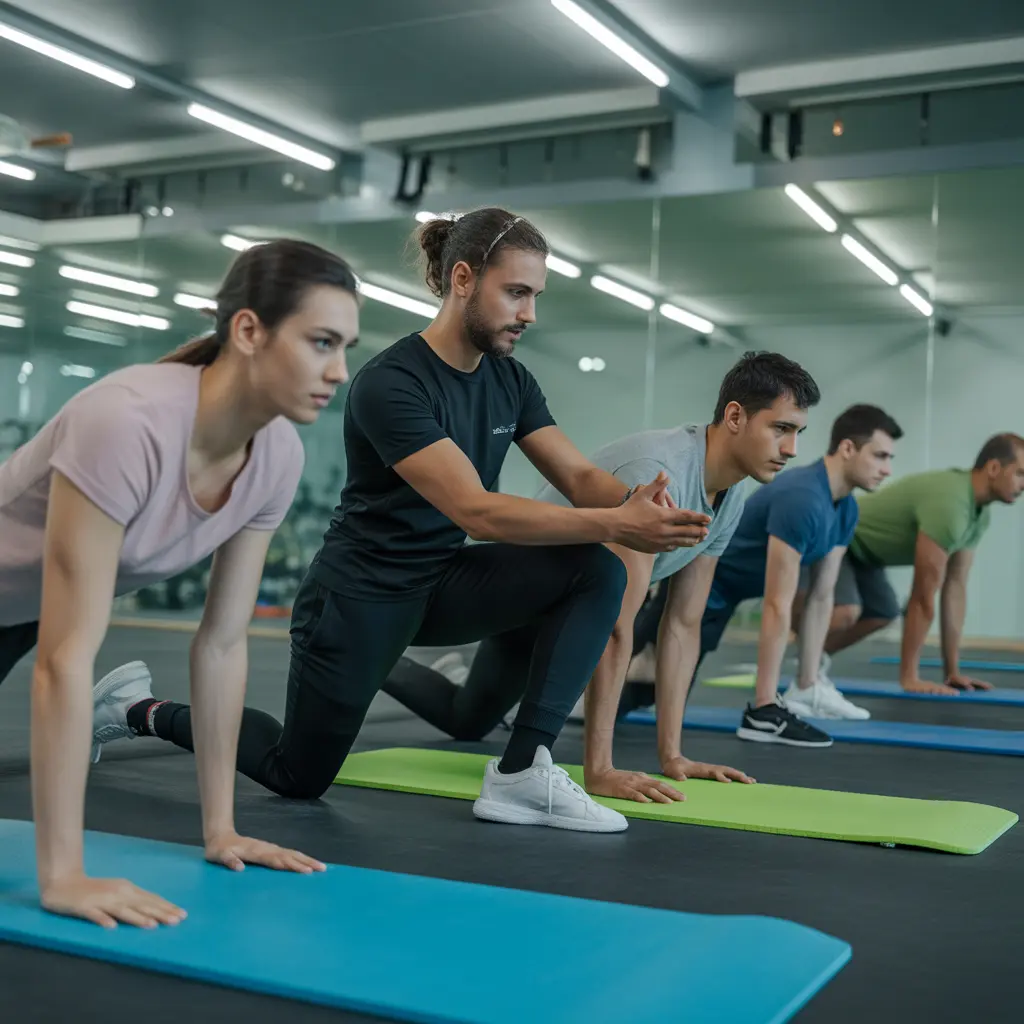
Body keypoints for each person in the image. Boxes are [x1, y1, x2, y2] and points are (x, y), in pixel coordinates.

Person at [93, 207, 711, 837]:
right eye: (516, 293)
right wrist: (618, 522)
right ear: (463, 279)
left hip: (442, 580)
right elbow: (475, 510)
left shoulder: (510, 380)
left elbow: (578, 477)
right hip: (359, 597)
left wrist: (639, 503)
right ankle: (134, 707)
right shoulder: (391, 383)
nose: (529, 313)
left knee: (593, 573)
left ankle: (525, 772)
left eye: (535, 296)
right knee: (296, 774)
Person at [0, 239, 360, 929]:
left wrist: (221, 830)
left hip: (20, 607)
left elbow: (222, 642)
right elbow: (65, 659)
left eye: (345, 347)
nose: (339, 371)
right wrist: (64, 876)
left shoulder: (276, 455)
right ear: (249, 330)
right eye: (321, 342)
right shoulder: (126, 421)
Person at [389, 352, 821, 804]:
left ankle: (386, 662)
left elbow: (683, 622)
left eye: (798, 432)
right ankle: (371, 650)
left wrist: (673, 756)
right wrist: (601, 771)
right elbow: (616, 625)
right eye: (781, 428)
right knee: (593, 624)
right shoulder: (659, 474)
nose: (791, 449)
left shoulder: (731, 497)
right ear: (735, 416)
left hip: (567, 611)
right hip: (514, 589)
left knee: (466, 720)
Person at [624, 404, 903, 747]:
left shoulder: (846, 508)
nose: (887, 469)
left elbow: (820, 596)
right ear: (847, 448)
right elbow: (776, 604)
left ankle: (807, 687)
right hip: (698, 584)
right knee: (642, 680)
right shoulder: (802, 497)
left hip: (728, 593)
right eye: (880, 456)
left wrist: (807, 680)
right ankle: (580, 700)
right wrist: (765, 703)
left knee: (652, 684)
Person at [805, 433, 1024, 695]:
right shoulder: (951, 505)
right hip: (835, 534)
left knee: (882, 613)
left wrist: (952, 672)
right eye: (1020, 473)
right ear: (994, 468)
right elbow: (922, 597)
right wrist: (910, 678)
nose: (1023, 484)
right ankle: (788, 652)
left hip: (866, 555)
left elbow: (955, 589)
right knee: (846, 612)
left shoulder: (979, 515)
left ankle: (806, 659)